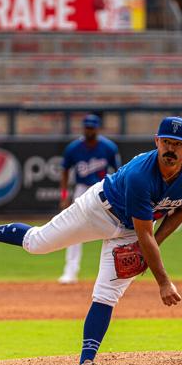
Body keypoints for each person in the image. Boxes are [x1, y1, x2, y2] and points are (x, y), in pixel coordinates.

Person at [0, 116, 182, 365]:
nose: (170, 149)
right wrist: (162, 280)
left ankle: (86, 363)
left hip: (133, 228)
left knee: (107, 294)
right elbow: (145, 232)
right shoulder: (142, 175)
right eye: (166, 142)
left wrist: (149, 247)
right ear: (156, 141)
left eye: (178, 144)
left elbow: (181, 209)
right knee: (37, 243)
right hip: (99, 210)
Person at [58, 114, 120, 284]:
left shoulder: (108, 147)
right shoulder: (73, 148)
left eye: (92, 127)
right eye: (87, 127)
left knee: (113, 228)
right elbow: (64, 171)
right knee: (73, 229)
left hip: (102, 189)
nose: (89, 130)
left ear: (98, 129)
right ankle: (70, 271)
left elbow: (118, 171)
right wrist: (64, 196)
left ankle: (114, 273)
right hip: (82, 189)